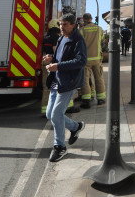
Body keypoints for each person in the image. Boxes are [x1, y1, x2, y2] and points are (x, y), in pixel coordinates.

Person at [43, 13, 87, 162]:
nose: (62, 27)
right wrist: (51, 59)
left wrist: (58, 66)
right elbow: (60, 57)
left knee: (56, 114)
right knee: (50, 115)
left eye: (66, 24)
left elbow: (81, 61)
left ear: (74, 25)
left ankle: (60, 147)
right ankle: (75, 127)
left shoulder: (78, 40)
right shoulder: (61, 38)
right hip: (56, 81)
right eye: (61, 24)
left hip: (68, 83)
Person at [79, 13, 106, 108]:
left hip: (85, 59)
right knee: (99, 78)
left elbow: (79, 43)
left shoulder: (82, 30)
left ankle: (86, 100)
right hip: (97, 58)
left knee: (85, 80)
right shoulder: (99, 29)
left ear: (84, 19)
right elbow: (102, 40)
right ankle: (101, 99)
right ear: (91, 18)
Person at [41, 19, 61, 117]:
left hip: (45, 64)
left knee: (46, 86)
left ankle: (45, 110)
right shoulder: (56, 37)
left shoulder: (45, 37)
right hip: (53, 65)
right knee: (56, 86)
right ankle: (55, 110)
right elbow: (56, 51)